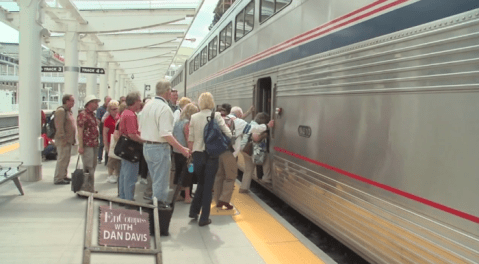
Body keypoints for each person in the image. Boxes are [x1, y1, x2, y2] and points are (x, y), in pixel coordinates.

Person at [139, 80, 190, 206]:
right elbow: (166, 133)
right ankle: (159, 212)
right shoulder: (164, 108)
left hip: (147, 147)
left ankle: (154, 208)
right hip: (159, 148)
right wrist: (182, 149)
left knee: (156, 180)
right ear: (167, 92)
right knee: (161, 183)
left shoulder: (148, 105)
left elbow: (140, 126)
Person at [188, 92, 232, 226]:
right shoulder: (216, 116)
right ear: (211, 102)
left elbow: (190, 138)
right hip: (211, 155)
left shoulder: (194, 117)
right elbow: (228, 134)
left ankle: (193, 211)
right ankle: (204, 218)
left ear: (200, 102)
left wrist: (190, 154)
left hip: (197, 154)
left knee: (201, 183)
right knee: (208, 186)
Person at [118, 92, 145, 201]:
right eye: (139, 100)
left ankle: (123, 196)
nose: (140, 103)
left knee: (124, 174)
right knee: (130, 176)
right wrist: (145, 141)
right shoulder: (130, 115)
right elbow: (132, 135)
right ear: (134, 102)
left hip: (124, 147)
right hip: (131, 149)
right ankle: (129, 199)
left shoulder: (125, 112)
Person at [239, 112, 274, 193]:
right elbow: (256, 138)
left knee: (248, 169)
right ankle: (266, 179)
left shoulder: (250, 123)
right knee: (266, 158)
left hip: (244, 149)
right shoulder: (256, 126)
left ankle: (243, 188)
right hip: (250, 150)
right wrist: (265, 135)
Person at [213, 103, 239, 210]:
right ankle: (224, 200)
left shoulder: (212, 120)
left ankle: (217, 200)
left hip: (215, 152)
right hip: (227, 152)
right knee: (230, 177)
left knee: (219, 176)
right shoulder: (230, 121)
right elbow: (232, 137)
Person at [173, 103, 198, 203]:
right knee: (189, 172)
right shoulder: (187, 123)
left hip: (177, 152)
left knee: (179, 173)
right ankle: (187, 197)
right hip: (187, 154)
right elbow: (189, 139)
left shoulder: (177, 122)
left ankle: (179, 195)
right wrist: (191, 151)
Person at [77, 95, 101, 193]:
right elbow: (80, 131)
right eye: (95, 102)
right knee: (88, 167)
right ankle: (87, 188)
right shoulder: (83, 115)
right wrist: (81, 146)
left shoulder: (92, 115)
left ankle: (90, 187)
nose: (97, 104)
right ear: (90, 103)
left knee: (92, 167)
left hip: (94, 144)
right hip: (87, 145)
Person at [53, 94, 76, 185]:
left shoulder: (68, 111)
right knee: (62, 159)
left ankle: (63, 175)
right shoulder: (61, 111)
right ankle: (58, 178)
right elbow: (59, 126)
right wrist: (63, 138)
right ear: (66, 101)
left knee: (66, 159)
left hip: (68, 140)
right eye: (72, 100)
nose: (73, 102)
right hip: (63, 140)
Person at [103, 100, 120, 183]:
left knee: (117, 159)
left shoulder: (120, 117)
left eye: (116, 109)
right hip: (111, 142)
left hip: (119, 142)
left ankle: (116, 174)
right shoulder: (108, 120)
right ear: (109, 110)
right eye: (113, 109)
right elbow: (105, 133)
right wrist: (106, 145)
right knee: (111, 160)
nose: (115, 111)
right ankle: (110, 175)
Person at [97, 96, 111, 165]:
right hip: (102, 129)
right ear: (105, 101)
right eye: (108, 100)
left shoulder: (111, 109)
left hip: (109, 130)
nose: (109, 102)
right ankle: (99, 158)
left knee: (107, 144)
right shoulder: (100, 109)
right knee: (102, 144)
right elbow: (98, 119)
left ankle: (106, 160)